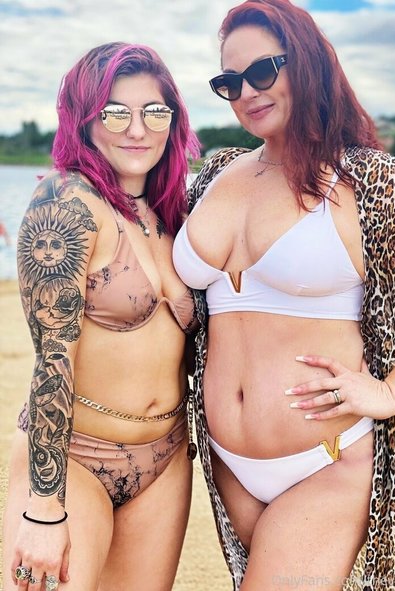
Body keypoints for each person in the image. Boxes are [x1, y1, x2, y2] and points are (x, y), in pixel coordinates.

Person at [172, 1, 395, 589]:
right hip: (229, 466)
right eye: (230, 82)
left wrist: (392, 390)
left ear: (305, 62)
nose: (246, 92)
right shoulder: (217, 174)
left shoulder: (367, 179)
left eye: (262, 71)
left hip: (325, 458)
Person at [3, 42, 200, 591]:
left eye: (154, 111)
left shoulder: (173, 215)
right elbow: (52, 361)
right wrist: (44, 509)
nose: (137, 129)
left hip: (165, 458)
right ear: (84, 120)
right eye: (115, 113)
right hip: (75, 457)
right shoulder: (66, 203)